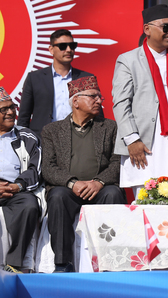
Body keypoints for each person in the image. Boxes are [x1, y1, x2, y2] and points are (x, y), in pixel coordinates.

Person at [112, 4, 168, 202]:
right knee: (147, 202)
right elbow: (121, 104)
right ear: (147, 29)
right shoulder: (128, 60)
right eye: (165, 27)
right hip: (144, 145)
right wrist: (132, 139)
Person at [42, 76, 126, 272]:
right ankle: (63, 263)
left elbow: (117, 163)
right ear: (76, 101)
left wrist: (98, 182)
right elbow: (48, 167)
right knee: (57, 196)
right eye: (93, 96)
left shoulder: (110, 127)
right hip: (68, 189)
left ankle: (110, 261)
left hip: (100, 188)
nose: (100, 100)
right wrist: (72, 183)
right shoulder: (52, 130)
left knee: (113, 193)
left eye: (100, 97)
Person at [18, 29, 102, 138]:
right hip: (43, 140)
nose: (68, 50)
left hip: (79, 139)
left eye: (72, 46)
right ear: (51, 49)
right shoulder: (34, 78)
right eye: (63, 46)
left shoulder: (85, 78)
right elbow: (23, 117)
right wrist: (24, 142)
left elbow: (97, 113)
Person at [0, 87, 41, 273]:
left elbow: (36, 168)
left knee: (30, 205)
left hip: (17, 188)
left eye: (12, 107)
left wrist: (18, 185)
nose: (10, 112)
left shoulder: (26, 136)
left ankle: (14, 264)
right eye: (3, 109)